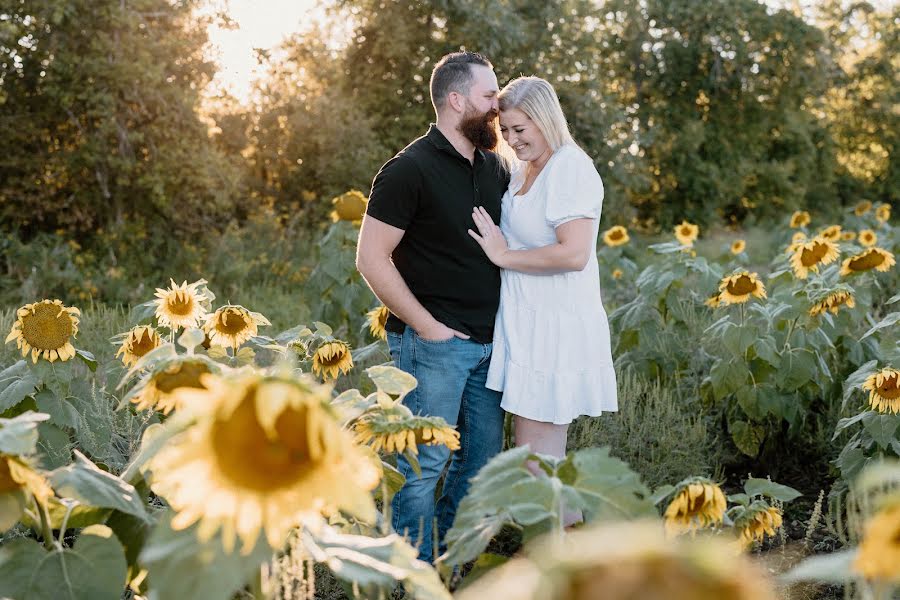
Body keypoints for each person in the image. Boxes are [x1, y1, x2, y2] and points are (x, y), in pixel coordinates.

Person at [355, 51, 509, 562]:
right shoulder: (408, 170)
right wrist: (427, 327)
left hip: (493, 348)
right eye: (490, 96)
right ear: (456, 99)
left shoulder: (494, 166)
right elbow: (371, 259)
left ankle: (443, 569)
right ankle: (412, 580)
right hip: (434, 347)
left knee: (482, 468)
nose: (497, 106)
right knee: (422, 465)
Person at [468, 76, 618, 478]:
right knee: (536, 458)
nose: (512, 140)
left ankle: (561, 538)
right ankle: (561, 537)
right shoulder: (524, 170)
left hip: (555, 327)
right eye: (505, 131)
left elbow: (574, 253)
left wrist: (503, 255)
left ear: (546, 120)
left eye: (520, 129)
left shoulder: (569, 167)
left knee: (536, 460)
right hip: (526, 324)